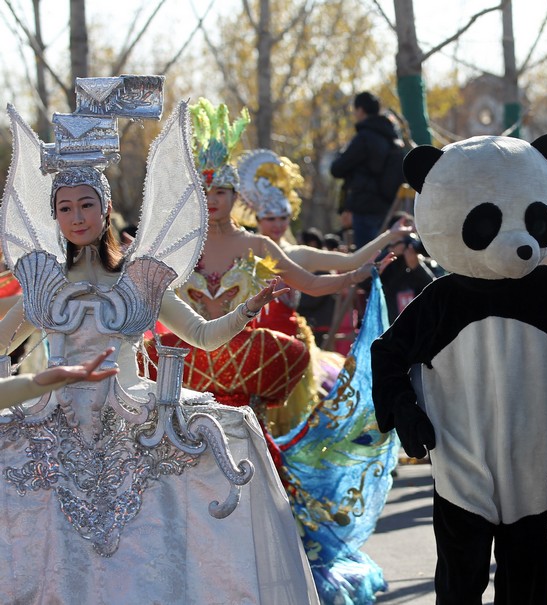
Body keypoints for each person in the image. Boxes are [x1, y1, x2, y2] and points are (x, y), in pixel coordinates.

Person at [0, 99, 317, 603]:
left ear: (104, 208)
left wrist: (247, 310)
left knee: (142, 566)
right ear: (52, 213)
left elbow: (204, 336)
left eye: (86, 205)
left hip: (136, 437)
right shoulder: (42, 280)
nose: (76, 217)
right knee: (59, 566)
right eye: (64, 207)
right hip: (57, 442)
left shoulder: (138, 277)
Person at [179, 119, 398, 605]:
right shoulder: (181, 249)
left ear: (237, 196)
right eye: (204, 190)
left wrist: (359, 272)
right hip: (194, 385)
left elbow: (312, 281)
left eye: (220, 190)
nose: (211, 199)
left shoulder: (258, 246)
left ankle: (262, 578)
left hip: (246, 386)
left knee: (253, 484)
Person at [330, 91, 404, 248]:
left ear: (361, 110)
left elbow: (337, 169)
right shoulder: (391, 137)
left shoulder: (364, 137)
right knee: (383, 253)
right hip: (386, 204)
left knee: (367, 258)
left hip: (364, 205)